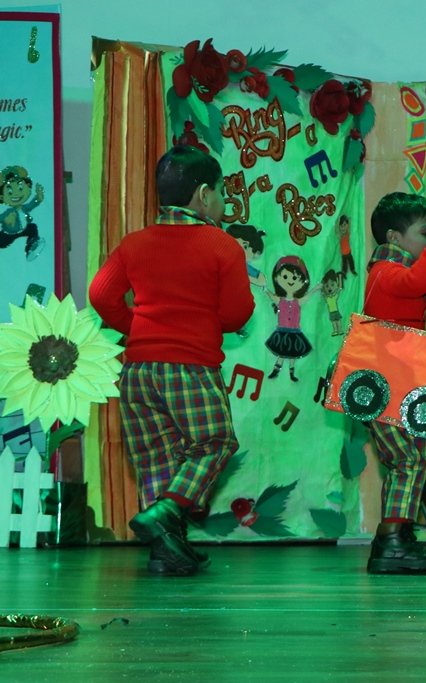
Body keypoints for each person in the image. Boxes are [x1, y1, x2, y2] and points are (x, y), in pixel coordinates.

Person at [89, 145, 254, 576]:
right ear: (204, 195)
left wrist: (136, 327)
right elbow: (237, 314)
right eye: (221, 192)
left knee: (157, 458)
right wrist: (202, 322)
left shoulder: (135, 243)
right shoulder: (221, 245)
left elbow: (100, 294)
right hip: (190, 366)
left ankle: (167, 553)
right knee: (214, 443)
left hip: (139, 370)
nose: (223, 201)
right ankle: (167, 513)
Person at [363, 191, 426, 574]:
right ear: (394, 238)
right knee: (408, 461)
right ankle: (391, 541)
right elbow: (418, 279)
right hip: (387, 387)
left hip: (398, 386)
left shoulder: (393, 274)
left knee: (408, 460)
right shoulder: (385, 273)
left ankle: (397, 537)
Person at [264, 254, 319, 381]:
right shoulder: (280, 300)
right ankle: (276, 371)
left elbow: (308, 296)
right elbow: (271, 296)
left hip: (294, 332)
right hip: (282, 331)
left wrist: (315, 289)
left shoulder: (297, 302)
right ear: (277, 278)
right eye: (285, 276)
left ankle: (291, 373)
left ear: (303, 281)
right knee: (282, 354)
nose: (290, 280)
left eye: (295, 277)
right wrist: (265, 290)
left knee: (293, 355)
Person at [0, 165, 45, 260]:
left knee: (32, 227)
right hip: (9, 234)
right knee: (2, 242)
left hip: (23, 229)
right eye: (10, 192)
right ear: (2, 197)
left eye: (20, 188)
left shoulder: (23, 208)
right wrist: (7, 220)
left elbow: (31, 205)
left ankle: (31, 247)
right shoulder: (9, 213)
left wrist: (38, 198)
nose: (16, 194)